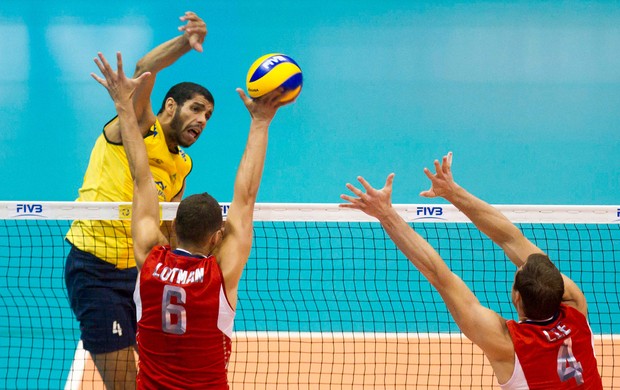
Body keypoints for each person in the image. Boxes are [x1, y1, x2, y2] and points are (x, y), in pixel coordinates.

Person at [91, 50, 288, 388]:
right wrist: (260, 122)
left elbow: (141, 177)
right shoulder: (219, 275)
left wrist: (123, 105)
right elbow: (246, 197)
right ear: (217, 237)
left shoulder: (150, 260)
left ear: (173, 227)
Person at [340, 152, 603, 389]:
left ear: (517, 298)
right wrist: (452, 192)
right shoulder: (576, 308)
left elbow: (441, 277)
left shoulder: (507, 346)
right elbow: (512, 240)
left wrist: (386, 214)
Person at [64, 11, 211, 388]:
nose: (202, 120)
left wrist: (191, 264)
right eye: (196, 108)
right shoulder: (139, 127)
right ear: (170, 106)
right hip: (95, 270)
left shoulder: (182, 164)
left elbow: (165, 223)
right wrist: (185, 42)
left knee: (158, 374)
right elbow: (145, 66)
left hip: (141, 275)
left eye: (208, 116)